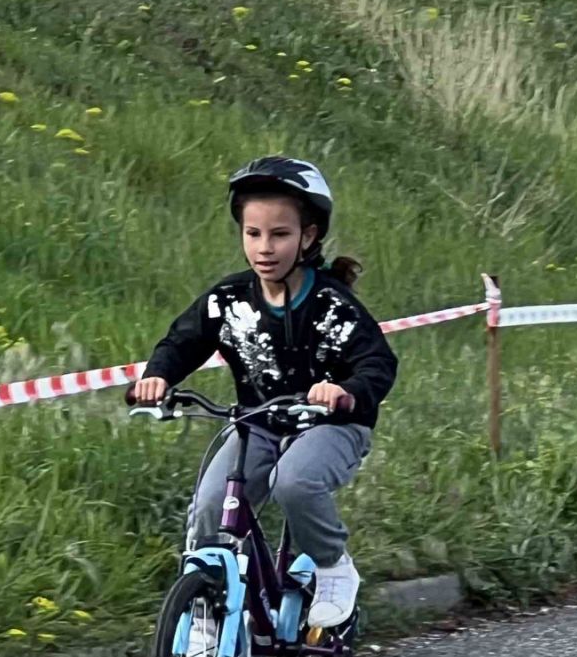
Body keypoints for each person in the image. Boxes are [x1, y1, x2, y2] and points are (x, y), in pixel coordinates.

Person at [134, 157, 398, 629]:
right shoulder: (228, 299)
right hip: (257, 422)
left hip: (331, 424)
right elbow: (182, 342)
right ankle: (205, 619)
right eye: (253, 233)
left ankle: (333, 566)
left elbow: (377, 363)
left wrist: (345, 391)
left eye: (279, 234)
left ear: (308, 237)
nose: (264, 247)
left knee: (293, 482)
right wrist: (158, 376)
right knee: (211, 506)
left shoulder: (332, 304)